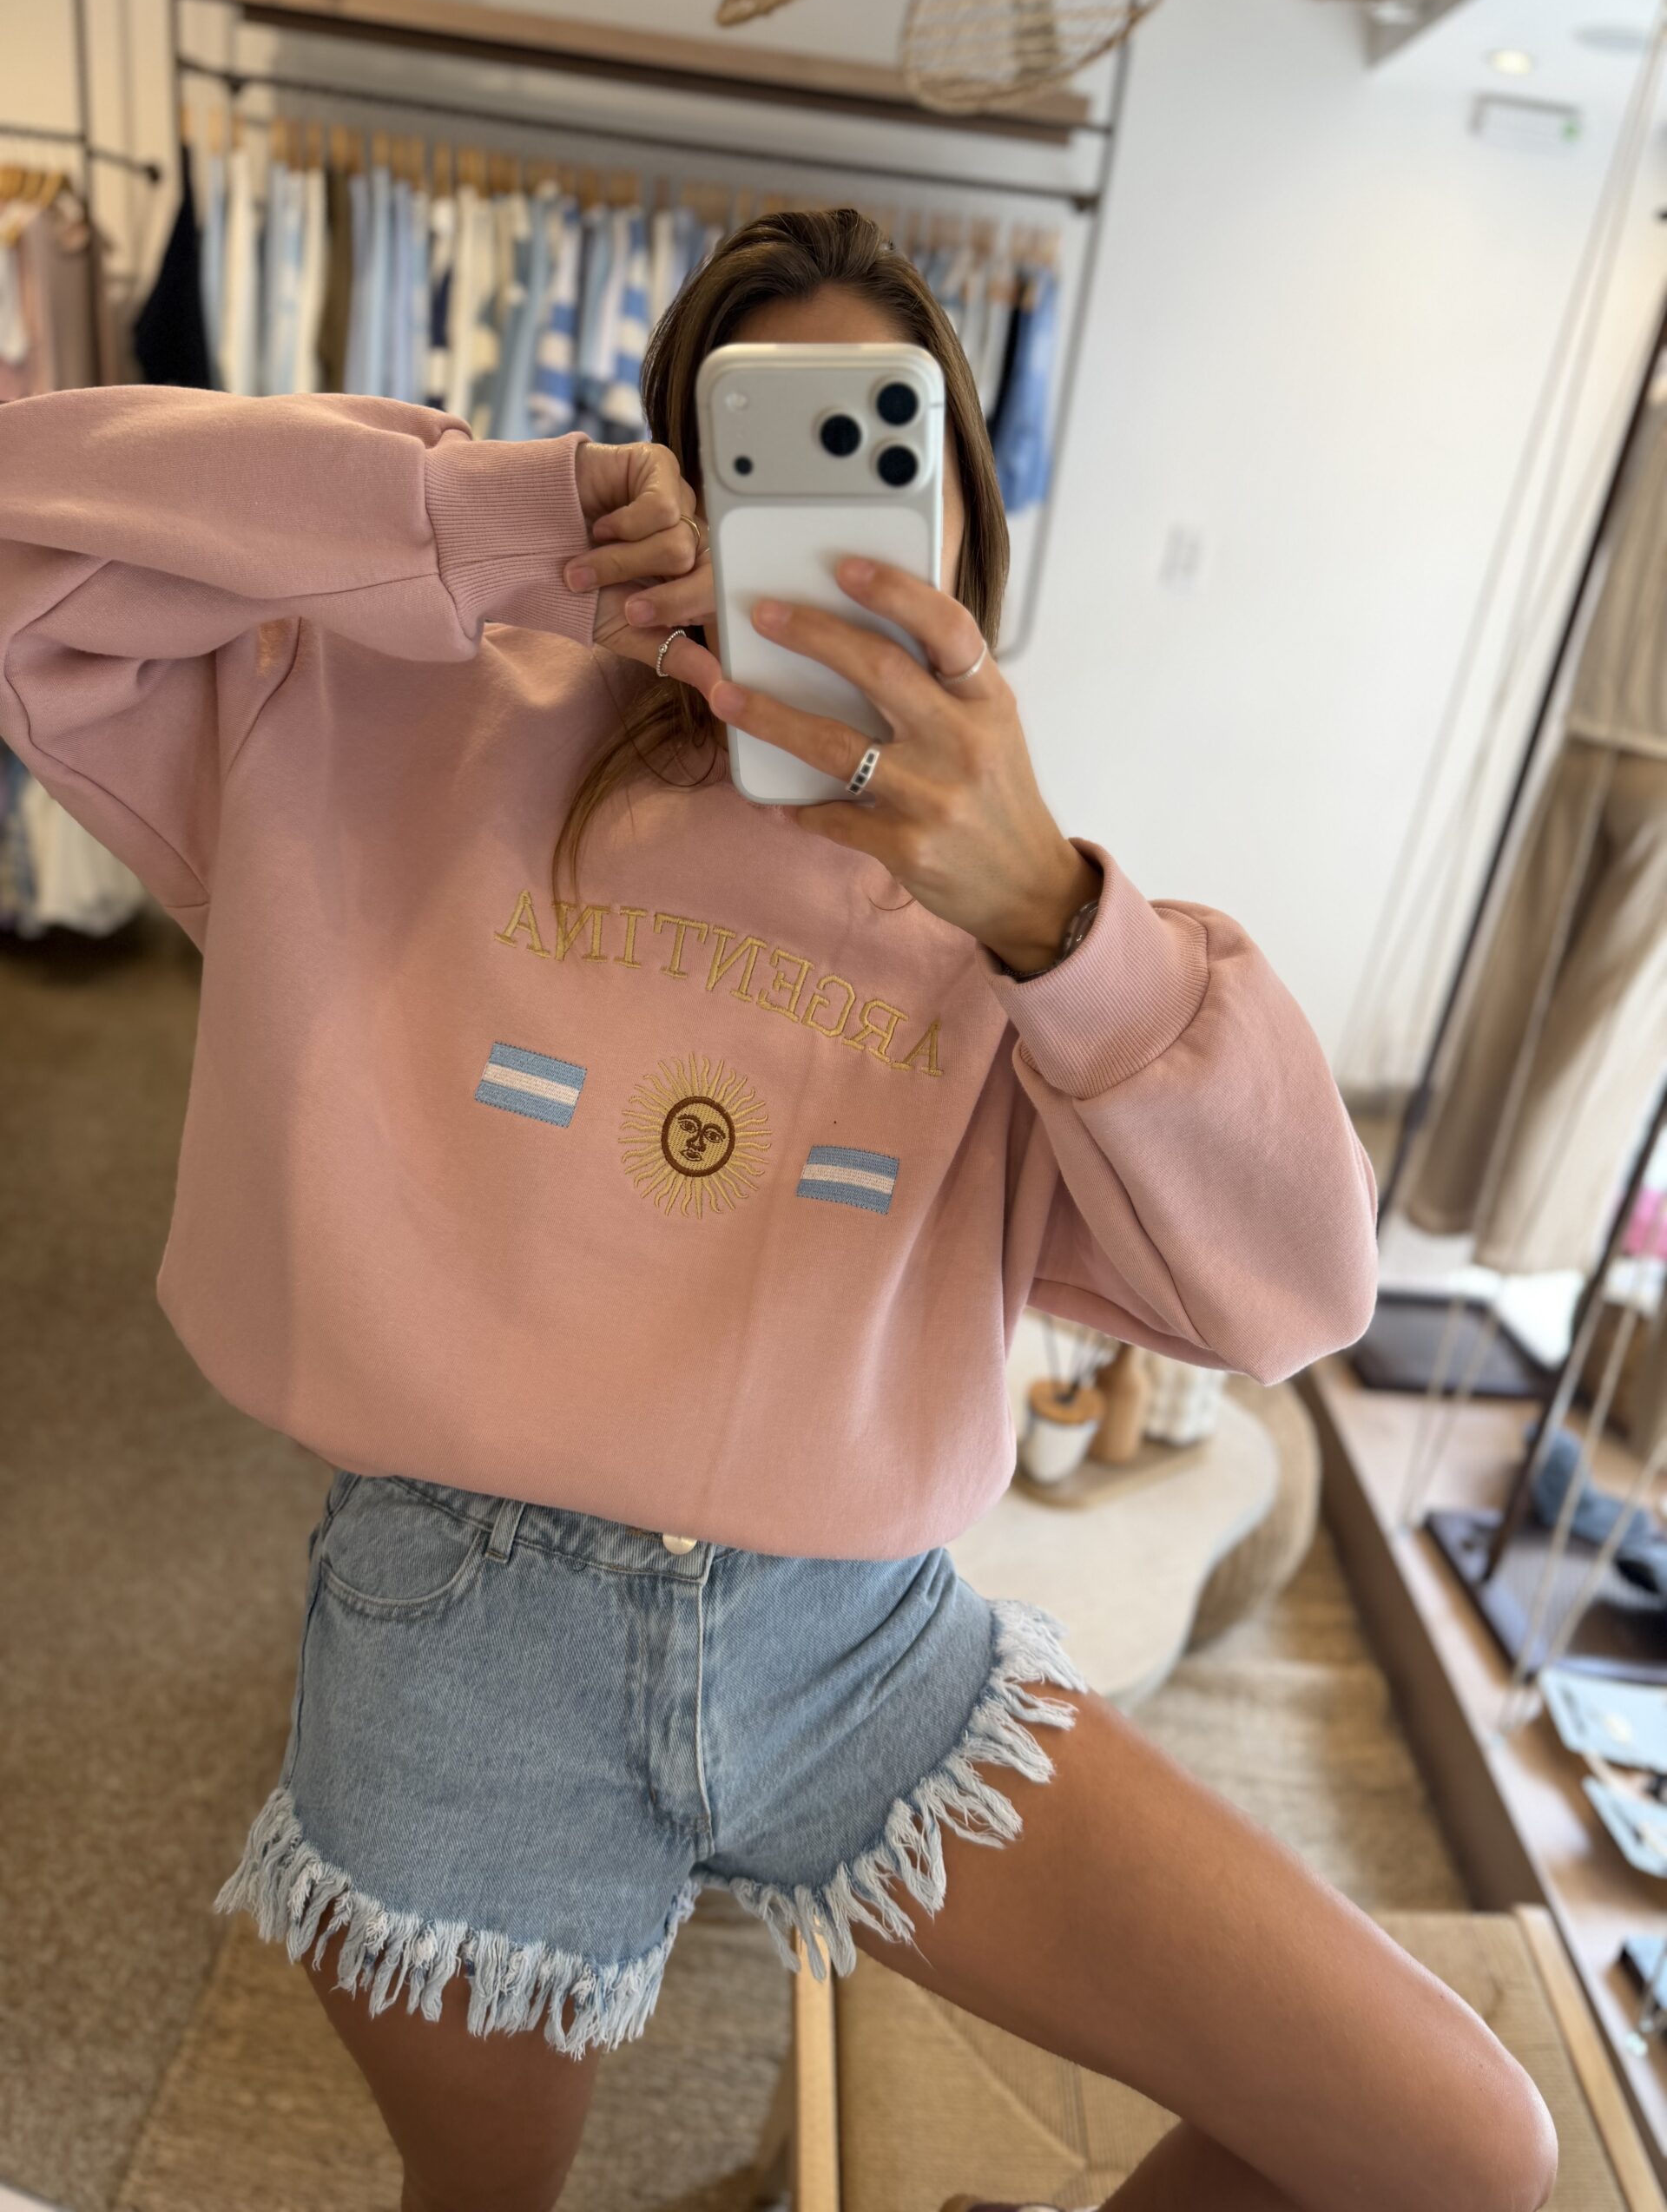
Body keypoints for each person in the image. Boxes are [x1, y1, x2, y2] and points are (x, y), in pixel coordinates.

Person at [0, 207, 1554, 2212]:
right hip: (462, 1640)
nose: (819, 529)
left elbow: (1299, 1292)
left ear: (965, 517)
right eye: (756, 456)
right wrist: (501, 526)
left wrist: (1055, 919)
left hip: (858, 1649)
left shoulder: (1027, 916)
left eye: (879, 455)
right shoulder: (394, 726)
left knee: (1462, 2143)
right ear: (672, 475)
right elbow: (33, 541)